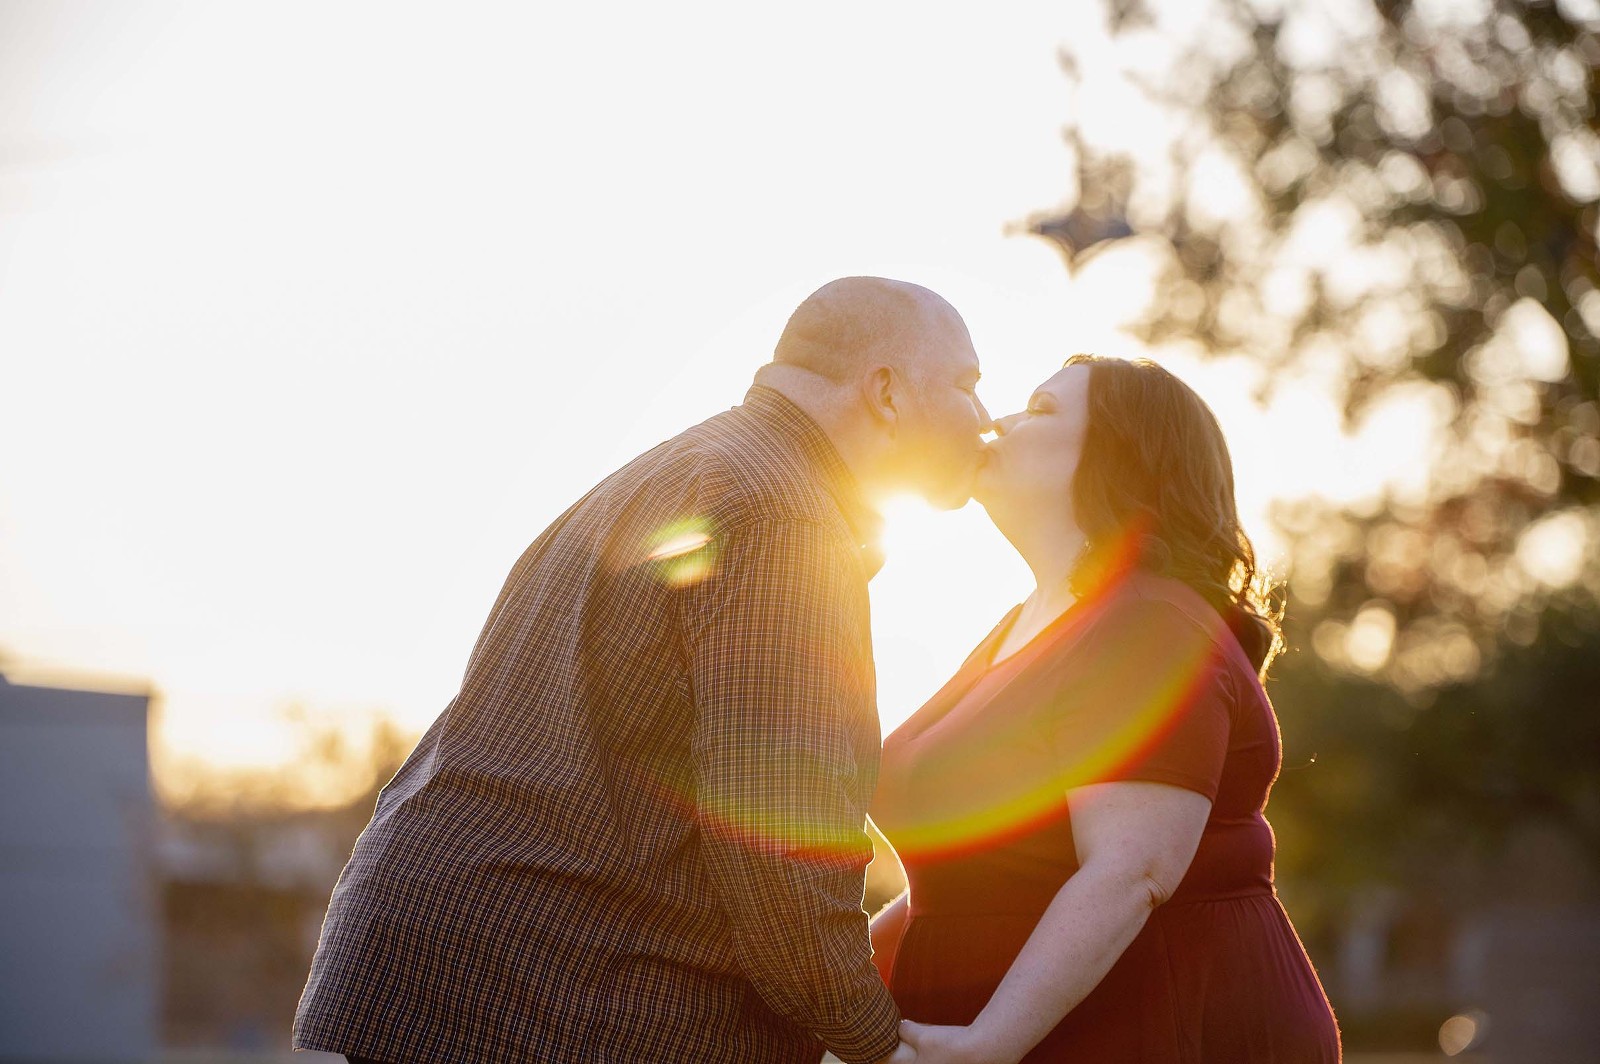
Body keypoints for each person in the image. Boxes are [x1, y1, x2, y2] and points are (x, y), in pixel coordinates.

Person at [293, 276, 992, 1064]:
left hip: (457, 970)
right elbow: (779, 839)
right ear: (887, 392)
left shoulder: (689, 469)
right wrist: (875, 1042)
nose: (986, 417)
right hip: (560, 997)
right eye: (968, 385)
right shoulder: (785, 515)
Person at [874, 356, 1341, 1062]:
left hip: (1155, 1026)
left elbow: (1134, 868)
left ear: (1120, 456)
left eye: (1041, 408)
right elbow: (973, 866)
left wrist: (990, 1042)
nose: (998, 421)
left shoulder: (1146, 622)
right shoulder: (1024, 623)